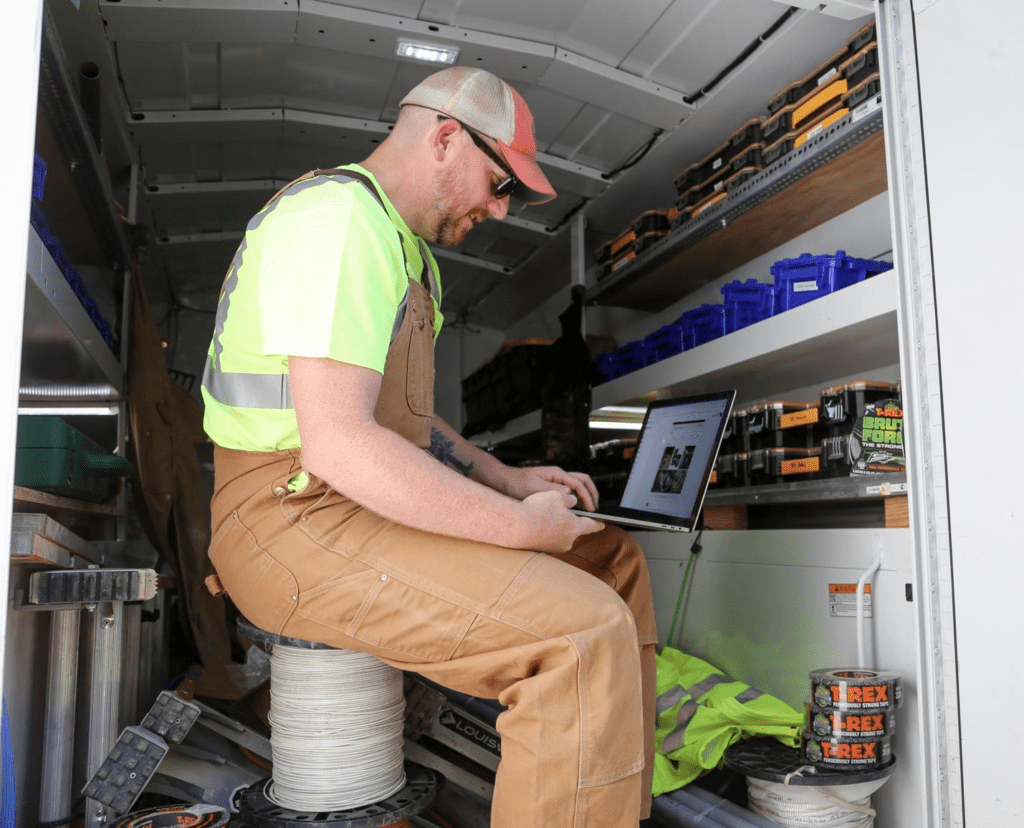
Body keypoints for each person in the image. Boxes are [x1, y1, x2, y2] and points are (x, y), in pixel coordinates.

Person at [201, 65, 657, 828]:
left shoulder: (405, 254)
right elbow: (341, 446)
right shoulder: (338, 221)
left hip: (349, 505)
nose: (500, 207)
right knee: (578, 636)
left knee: (611, 559)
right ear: (446, 139)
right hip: (290, 520)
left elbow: (403, 421)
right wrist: (517, 527)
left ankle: (613, 809)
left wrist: (503, 477)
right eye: (497, 182)